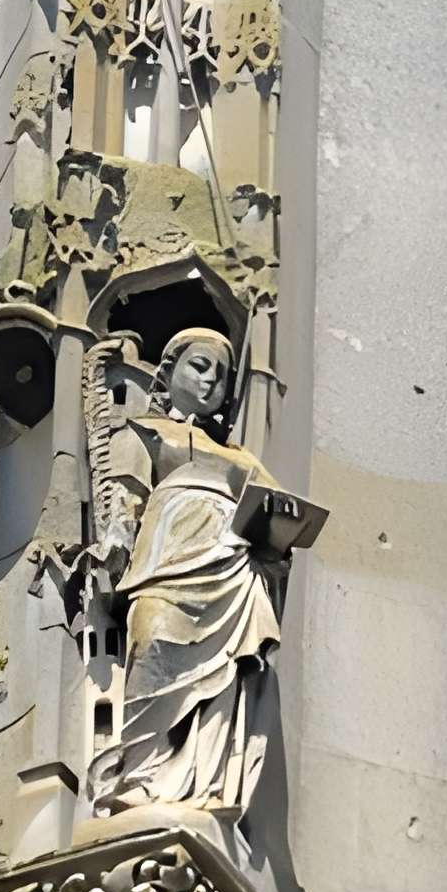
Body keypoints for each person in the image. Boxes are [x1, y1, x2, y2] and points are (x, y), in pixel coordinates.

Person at [86, 326, 286, 820]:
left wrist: (277, 537)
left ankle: (205, 782)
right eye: (198, 367)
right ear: (169, 370)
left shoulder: (242, 457)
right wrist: (112, 541)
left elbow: (277, 507)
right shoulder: (144, 431)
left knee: (223, 675)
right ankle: (138, 777)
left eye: (220, 377)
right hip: (166, 556)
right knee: (151, 638)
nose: (209, 383)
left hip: (231, 566)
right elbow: (127, 494)